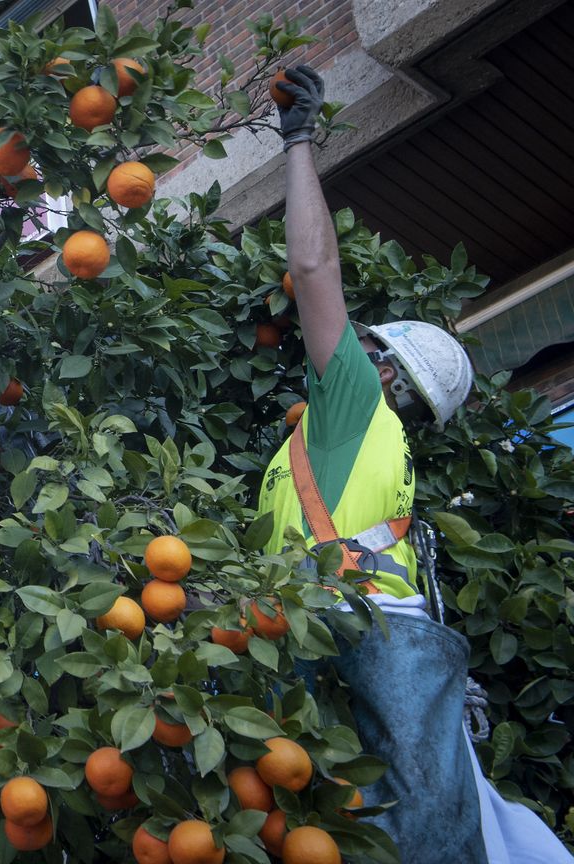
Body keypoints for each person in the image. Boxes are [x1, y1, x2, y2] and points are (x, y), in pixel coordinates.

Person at [263, 66, 571, 864]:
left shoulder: (355, 404)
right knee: (415, 827)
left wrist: (298, 142)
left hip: (352, 625)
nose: (347, 349)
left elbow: (313, 271)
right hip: (363, 631)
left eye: (366, 347)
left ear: (387, 372)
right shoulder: (365, 448)